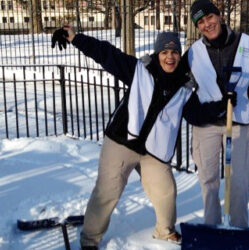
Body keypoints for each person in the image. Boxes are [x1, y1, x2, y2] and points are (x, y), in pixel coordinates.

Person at [52, 26, 196, 249]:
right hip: (122, 142)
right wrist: (75, 38)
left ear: (179, 54)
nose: (170, 57)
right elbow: (107, 54)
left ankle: (165, 231)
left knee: (165, 191)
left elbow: (198, 113)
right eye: (165, 52)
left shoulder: (184, 85)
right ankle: (90, 239)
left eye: (174, 52)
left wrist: (223, 107)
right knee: (107, 192)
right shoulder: (139, 70)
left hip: (154, 150)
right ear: (158, 54)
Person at [182, 0, 249, 228]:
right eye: (200, 22)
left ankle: (239, 230)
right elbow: (180, 86)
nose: (207, 24)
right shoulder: (193, 53)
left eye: (209, 18)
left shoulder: (247, 44)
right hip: (207, 126)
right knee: (208, 181)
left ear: (219, 16)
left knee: (239, 182)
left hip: (240, 121)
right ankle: (211, 228)